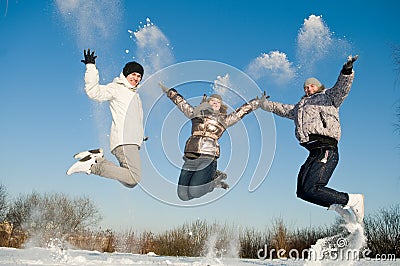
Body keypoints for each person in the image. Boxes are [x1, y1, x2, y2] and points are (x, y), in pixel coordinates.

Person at [259, 55, 365, 223]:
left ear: (318, 86)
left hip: (327, 148)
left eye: (311, 86)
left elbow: (342, 88)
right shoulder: (299, 107)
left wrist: (347, 71)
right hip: (314, 151)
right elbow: (281, 108)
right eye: (306, 87)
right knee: (302, 191)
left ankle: (352, 200)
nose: (308, 89)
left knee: (312, 187)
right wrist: (264, 105)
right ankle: (337, 206)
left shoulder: (328, 97)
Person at [159, 83, 261, 201]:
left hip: (208, 157)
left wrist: (256, 102)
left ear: (221, 106)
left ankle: (212, 180)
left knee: (195, 192)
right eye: (212, 101)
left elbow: (241, 111)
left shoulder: (225, 120)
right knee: (183, 196)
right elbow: (182, 103)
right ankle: (212, 176)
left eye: (218, 102)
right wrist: (169, 92)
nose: (215, 103)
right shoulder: (195, 114)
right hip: (190, 157)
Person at [66, 49, 145, 188]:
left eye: (139, 76)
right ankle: (94, 165)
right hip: (125, 140)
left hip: (131, 140)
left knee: (130, 182)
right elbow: (94, 92)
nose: (136, 78)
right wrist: (90, 67)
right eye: (133, 74)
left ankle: (97, 159)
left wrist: (140, 135)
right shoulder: (116, 88)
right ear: (126, 74)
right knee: (134, 178)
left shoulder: (135, 95)